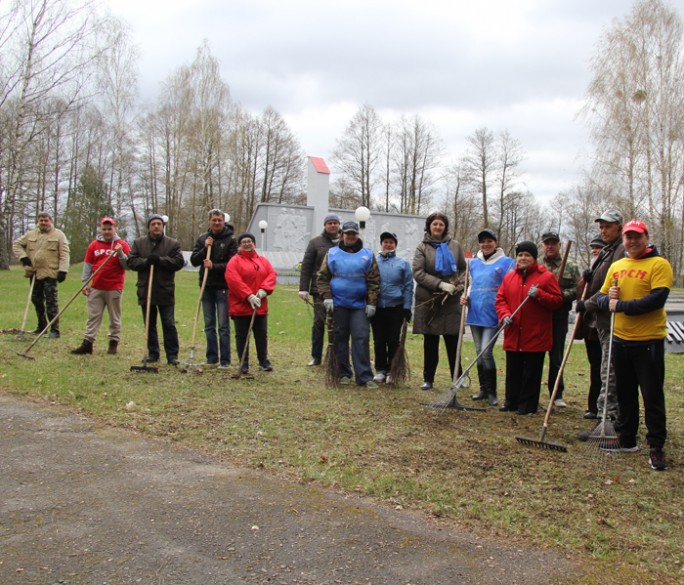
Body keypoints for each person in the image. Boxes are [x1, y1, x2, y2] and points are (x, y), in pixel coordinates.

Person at [595, 220, 672, 470]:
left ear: (646, 237)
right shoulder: (618, 265)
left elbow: (656, 300)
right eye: (628, 237)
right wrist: (608, 299)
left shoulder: (658, 264)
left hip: (649, 340)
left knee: (651, 394)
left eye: (637, 237)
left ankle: (656, 446)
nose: (632, 241)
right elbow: (603, 295)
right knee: (624, 391)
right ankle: (627, 438)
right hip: (621, 339)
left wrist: (622, 306)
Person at [495, 241, 563, 415]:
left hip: (535, 334)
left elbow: (557, 301)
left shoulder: (546, 277)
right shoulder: (510, 277)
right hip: (514, 331)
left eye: (527, 255)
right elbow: (501, 299)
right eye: (520, 255)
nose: (523, 258)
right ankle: (511, 401)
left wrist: (539, 295)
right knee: (513, 370)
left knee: (531, 372)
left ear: (534, 258)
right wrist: (504, 315)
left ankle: (528, 405)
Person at [578, 210, 625, 433]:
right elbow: (601, 283)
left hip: (613, 320)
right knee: (604, 369)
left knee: (610, 371)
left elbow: (612, 288)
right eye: (601, 227)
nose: (603, 231)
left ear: (619, 227)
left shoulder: (621, 251)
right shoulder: (607, 251)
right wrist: (589, 276)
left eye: (607, 226)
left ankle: (609, 418)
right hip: (602, 321)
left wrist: (587, 304)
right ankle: (605, 415)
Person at [317, 221, 380, 388]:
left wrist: (371, 302)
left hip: (359, 305)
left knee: (361, 337)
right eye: (347, 233)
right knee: (340, 338)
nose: (350, 236)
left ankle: (364, 376)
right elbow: (322, 278)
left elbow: (374, 280)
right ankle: (343, 372)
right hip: (338, 303)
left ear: (357, 235)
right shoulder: (332, 253)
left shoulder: (367, 254)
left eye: (353, 234)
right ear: (342, 234)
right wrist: (327, 296)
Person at [460, 228, 515, 406]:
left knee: (486, 351)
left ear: (496, 242)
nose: (486, 244)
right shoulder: (473, 263)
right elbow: (472, 285)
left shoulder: (507, 262)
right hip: (476, 310)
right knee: (478, 352)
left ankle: (492, 392)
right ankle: (483, 389)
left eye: (489, 241)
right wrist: (466, 297)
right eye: (482, 241)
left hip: (493, 312)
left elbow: (509, 288)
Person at [412, 212, 467, 390]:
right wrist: (440, 284)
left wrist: (456, 286)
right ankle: (429, 379)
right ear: (429, 226)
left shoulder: (455, 246)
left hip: (451, 300)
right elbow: (418, 273)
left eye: (441, 225)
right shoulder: (422, 247)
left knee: (453, 341)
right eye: (434, 224)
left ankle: (458, 378)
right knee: (431, 342)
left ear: (445, 227)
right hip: (430, 299)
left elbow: (463, 270)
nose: (437, 227)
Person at [127, 214, 185, 365]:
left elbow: (179, 262)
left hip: (165, 290)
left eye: (159, 224)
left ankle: (172, 355)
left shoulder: (172, 244)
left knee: (169, 323)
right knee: (149, 324)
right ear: (148, 227)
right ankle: (153, 353)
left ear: (162, 226)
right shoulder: (139, 243)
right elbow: (131, 261)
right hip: (146, 289)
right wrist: (146, 262)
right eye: (153, 224)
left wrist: (161, 260)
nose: (156, 226)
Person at [70, 217, 130, 355]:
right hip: (96, 287)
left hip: (114, 287)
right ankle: (87, 343)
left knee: (114, 317)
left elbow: (127, 266)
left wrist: (120, 253)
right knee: (93, 316)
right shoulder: (94, 245)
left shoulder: (122, 245)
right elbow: (87, 265)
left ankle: (113, 343)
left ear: (115, 229)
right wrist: (85, 283)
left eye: (110, 229)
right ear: (101, 229)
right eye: (104, 229)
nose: (107, 231)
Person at [190, 209, 238, 368]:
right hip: (206, 286)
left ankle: (225, 360)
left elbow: (233, 264)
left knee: (223, 325)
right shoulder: (203, 239)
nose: (217, 223)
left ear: (224, 221)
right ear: (209, 221)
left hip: (223, 287)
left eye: (219, 220)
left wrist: (214, 266)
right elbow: (194, 261)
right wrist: (205, 249)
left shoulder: (231, 239)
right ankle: (212, 358)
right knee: (209, 324)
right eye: (214, 220)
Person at [225, 233, 277, 374]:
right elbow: (233, 280)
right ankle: (244, 363)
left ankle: (263, 361)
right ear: (240, 245)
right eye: (244, 242)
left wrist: (263, 291)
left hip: (260, 306)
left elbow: (271, 275)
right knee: (242, 336)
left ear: (254, 244)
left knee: (261, 334)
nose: (247, 244)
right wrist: (248, 295)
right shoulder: (234, 261)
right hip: (241, 306)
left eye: (250, 241)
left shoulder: (263, 261)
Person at [13, 211, 70, 338]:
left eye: (46, 220)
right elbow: (16, 244)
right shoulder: (30, 234)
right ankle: (41, 326)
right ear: (38, 222)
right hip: (35, 273)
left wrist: (63, 270)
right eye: (41, 221)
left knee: (51, 302)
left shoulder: (59, 235)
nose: (43, 223)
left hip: (51, 273)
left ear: (51, 221)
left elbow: (65, 254)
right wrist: (23, 258)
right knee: (36, 300)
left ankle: (55, 330)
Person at [539, 231, 579, 407]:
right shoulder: (537, 265)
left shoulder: (569, 266)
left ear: (559, 245)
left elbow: (578, 289)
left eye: (553, 243)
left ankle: (556, 394)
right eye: (547, 243)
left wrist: (560, 296)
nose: (550, 246)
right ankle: (531, 392)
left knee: (556, 356)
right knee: (536, 355)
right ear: (542, 245)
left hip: (559, 316)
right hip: (539, 316)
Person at [298, 214, 341, 366]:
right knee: (319, 323)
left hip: (341, 290)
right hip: (319, 290)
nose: (333, 225)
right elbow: (307, 266)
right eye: (330, 223)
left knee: (338, 324)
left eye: (335, 223)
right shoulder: (315, 243)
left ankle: (336, 355)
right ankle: (316, 357)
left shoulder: (345, 241)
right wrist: (303, 288)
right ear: (325, 225)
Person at [371, 232, 413, 384]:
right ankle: (380, 369)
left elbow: (408, 287)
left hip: (396, 307)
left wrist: (407, 307)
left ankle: (392, 370)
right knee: (379, 340)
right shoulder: (374, 262)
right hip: (377, 308)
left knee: (393, 340)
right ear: (381, 244)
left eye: (391, 242)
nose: (388, 245)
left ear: (395, 245)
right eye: (385, 242)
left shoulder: (403, 264)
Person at [575, 237, 605, 419]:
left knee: (605, 367)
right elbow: (581, 292)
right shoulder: (591, 269)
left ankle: (604, 406)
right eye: (593, 248)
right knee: (595, 365)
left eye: (599, 248)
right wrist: (584, 280)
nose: (595, 250)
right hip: (590, 328)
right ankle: (593, 406)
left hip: (604, 322)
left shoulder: (609, 267)